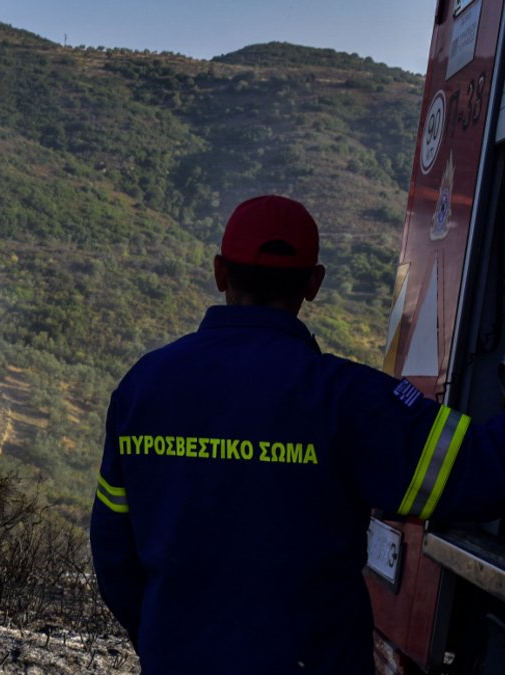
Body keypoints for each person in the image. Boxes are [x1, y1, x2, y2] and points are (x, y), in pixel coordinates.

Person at [90, 195, 505, 674]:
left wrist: (166, 642)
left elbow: (113, 553)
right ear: (314, 283)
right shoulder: (352, 400)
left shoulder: (142, 389)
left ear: (220, 273)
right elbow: (480, 473)